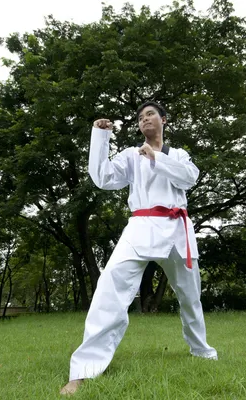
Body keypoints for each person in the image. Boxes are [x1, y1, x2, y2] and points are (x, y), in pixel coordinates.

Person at [60, 101, 217, 395]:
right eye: (140, 117)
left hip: (178, 230)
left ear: (164, 120)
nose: (144, 119)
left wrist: (156, 157)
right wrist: (100, 138)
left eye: (150, 114)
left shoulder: (179, 154)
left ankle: (202, 351)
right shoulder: (132, 155)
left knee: (191, 297)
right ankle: (82, 370)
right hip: (141, 227)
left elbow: (190, 178)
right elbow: (103, 178)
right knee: (109, 288)